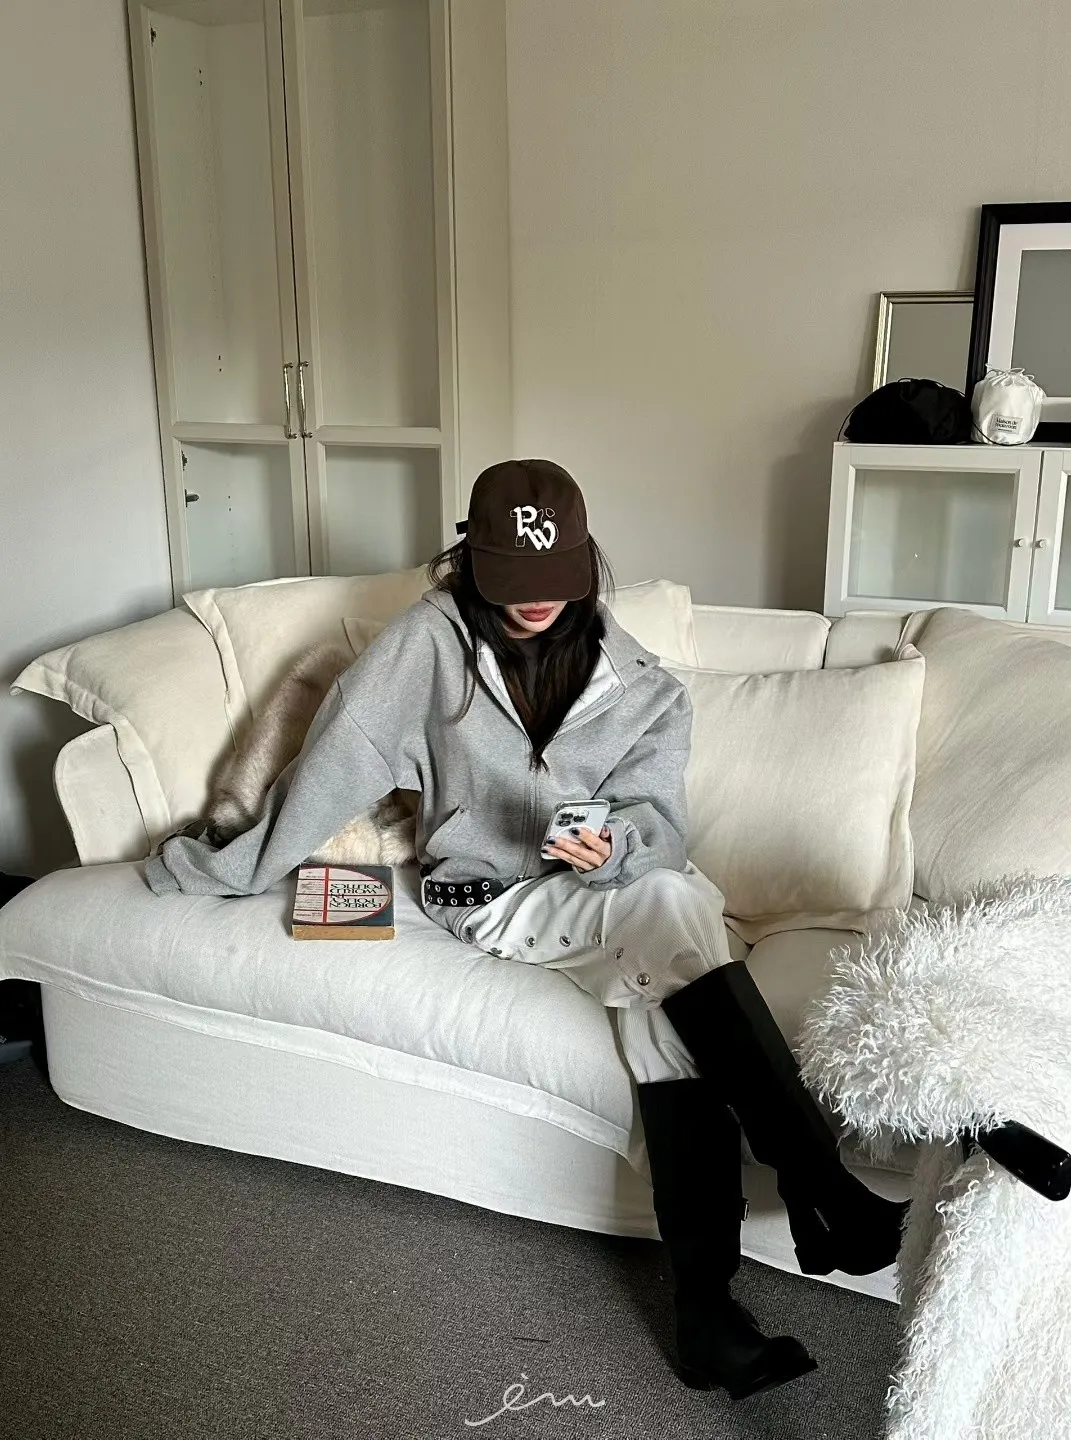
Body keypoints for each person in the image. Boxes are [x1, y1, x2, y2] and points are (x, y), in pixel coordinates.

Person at [145, 458, 906, 1402]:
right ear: (470, 559)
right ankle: (817, 1186)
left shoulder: (639, 682)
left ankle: (709, 1314)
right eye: (512, 579)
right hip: (494, 896)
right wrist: (223, 868)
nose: (535, 600)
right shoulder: (425, 645)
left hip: (611, 889)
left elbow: (660, 827)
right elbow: (337, 762)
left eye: (554, 578)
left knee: (665, 966)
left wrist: (614, 841)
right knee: (673, 917)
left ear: (585, 563)